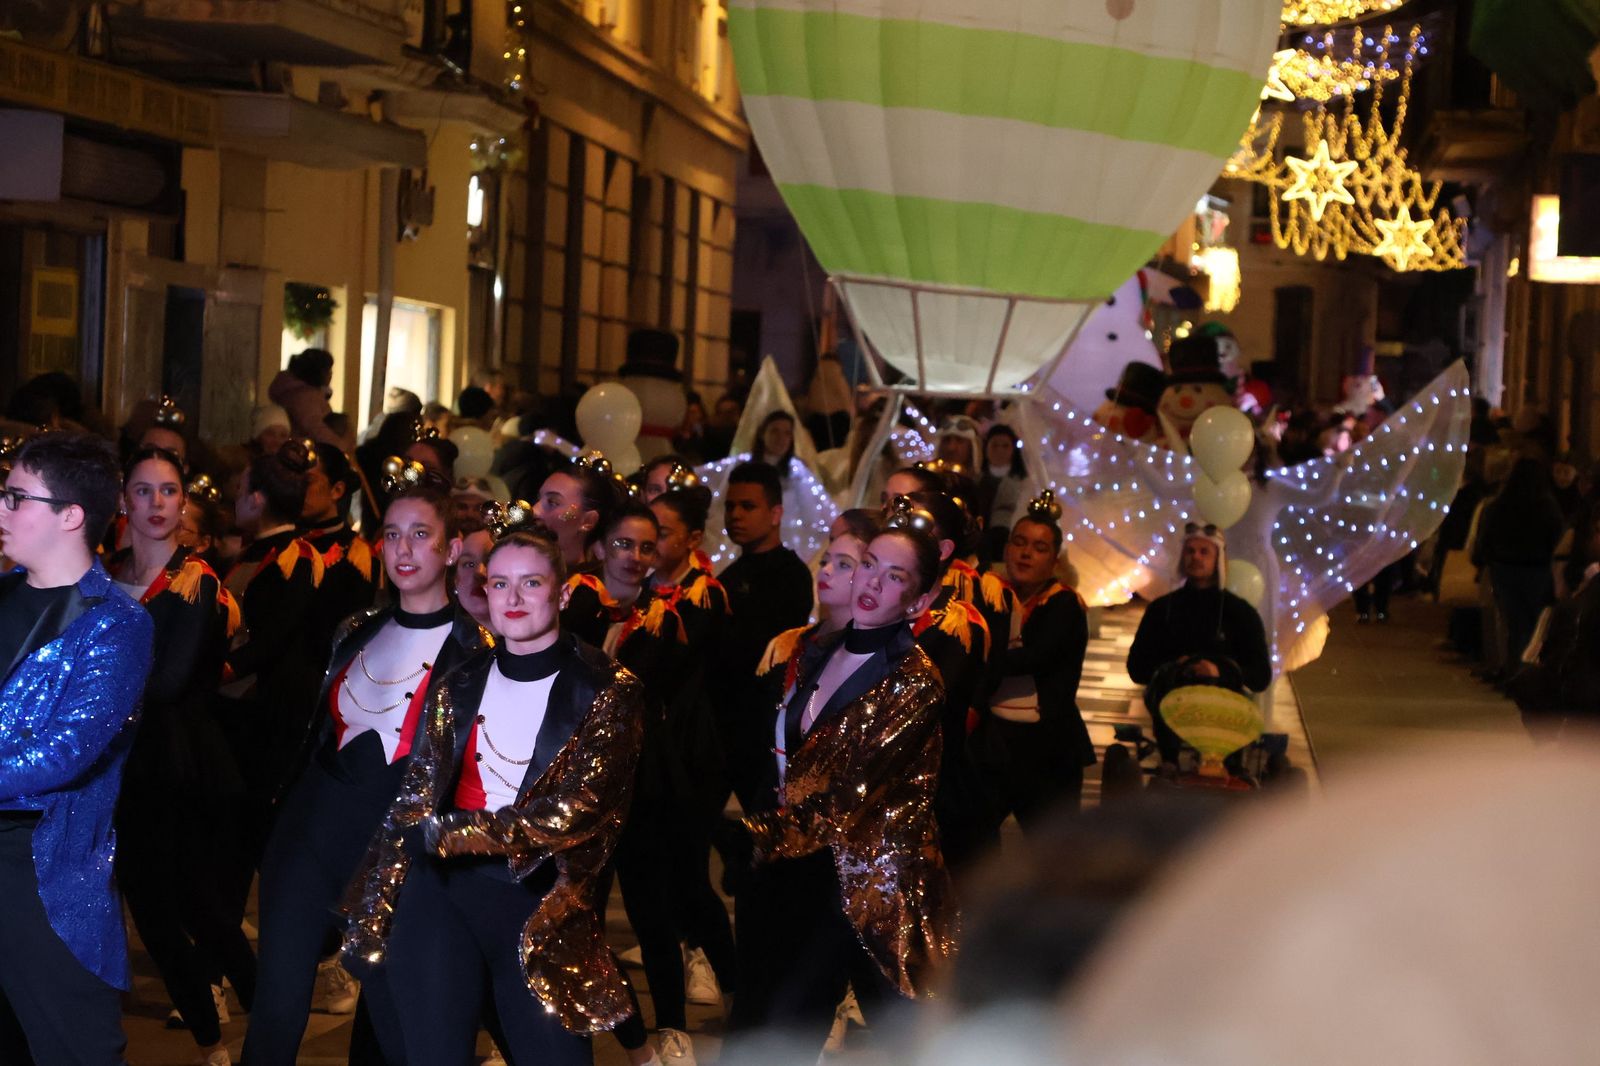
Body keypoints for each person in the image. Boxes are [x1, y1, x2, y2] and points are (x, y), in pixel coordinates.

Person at [340, 523, 645, 1066]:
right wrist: (375, 903)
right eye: (500, 584)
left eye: (531, 583)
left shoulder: (607, 688)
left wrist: (456, 833)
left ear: (563, 594)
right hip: (440, 892)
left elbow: (575, 813)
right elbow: (415, 798)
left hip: (536, 903)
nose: (513, 597)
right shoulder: (458, 682)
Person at [243, 482, 490, 1066]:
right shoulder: (355, 627)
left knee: (397, 1021)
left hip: (394, 854)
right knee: (276, 1009)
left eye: (421, 534)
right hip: (308, 831)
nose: (404, 549)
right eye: (392, 534)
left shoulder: (476, 653)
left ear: (453, 549)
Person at [722, 501, 953, 1065]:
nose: (871, 582)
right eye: (869, 564)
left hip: (874, 886)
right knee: (776, 1028)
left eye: (894, 576)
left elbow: (853, 795)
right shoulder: (818, 651)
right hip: (804, 872)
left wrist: (756, 834)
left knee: (908, 1042)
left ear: (918, 601)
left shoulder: (915, 681)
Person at [0, 433, 154, 1063]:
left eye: (17, 497)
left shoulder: (116, 624)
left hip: (39, 867)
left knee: (75, 1048)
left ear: (71, 516)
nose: (2, 509)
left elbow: (66, 751)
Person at [109, 447, 254, 1065]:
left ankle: (265, 1020)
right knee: (153, 913)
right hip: (120, 766)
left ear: (184, 502)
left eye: (168, 491)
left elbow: (168, 682)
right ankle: (212, 1045)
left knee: (200, 911)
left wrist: (91, 689)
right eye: (143, 491)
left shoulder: (196, 582)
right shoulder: (103, 574)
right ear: (124, 499)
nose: (156, 503)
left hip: (178, 764)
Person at [648, 482, 737, 1009]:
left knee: (688, 874)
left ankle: (729, 976)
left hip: (691, 753)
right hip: (650, 751)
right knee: (661, 879)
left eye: (661, 534)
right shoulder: (639, 593)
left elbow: (673, 666)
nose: (650, 546)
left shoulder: (704, 595)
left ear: (692, 539)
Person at [973, 491, 1093, 829]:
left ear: (1055, 561)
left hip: (1047, 748)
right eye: (1019, 543)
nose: (1026, 554)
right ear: (1006, 549)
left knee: (1052, 849)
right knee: (975, 838)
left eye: (1039, 548)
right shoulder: (994, 595)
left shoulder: (1064, 605)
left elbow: (1032, 658)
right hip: (996, 742)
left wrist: (974, 661)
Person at [1126, 523, 1272, 764]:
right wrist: (1175, 667)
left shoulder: (1240, 613)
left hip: (1224, 710)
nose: (1196, 557)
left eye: (1204, 552)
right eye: (1190, 551)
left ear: (1218, 559)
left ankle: (1229, 769)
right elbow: (1137, 668)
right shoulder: (1162, 609)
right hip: (1172, 702)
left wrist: (1219, 671)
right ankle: (1169, 764)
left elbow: (1260, 675)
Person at [714, 461, 814, 804]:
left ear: (775, 514)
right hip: (724, 724)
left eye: (747, 506)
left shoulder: (791, 575)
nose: (735, 515)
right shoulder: (729, 575)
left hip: (760, 726)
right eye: (730, 506)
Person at [1473, 456, 1565, 673]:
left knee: (1513, 624)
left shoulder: (1498, 506)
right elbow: (1556, 540)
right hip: (1537, 570)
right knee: (1535, 623)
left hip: (1505, 569)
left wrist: (1487, 560)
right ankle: (1528, 669)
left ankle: (1512, 667)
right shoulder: (1547, 507)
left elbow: (1485, 539)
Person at [302, 444, 380, 662]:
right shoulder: (283, 542)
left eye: (308, 481)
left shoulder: (357, 554)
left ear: (337, 490)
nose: (297, 488)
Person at [534, 453, 623, 570]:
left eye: (553, 502)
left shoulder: (585, 581)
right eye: (538, 499)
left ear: (588, 521)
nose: (534, 510)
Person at [270, 349, 348, 450]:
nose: (331, 374)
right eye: (328, 370)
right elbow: (315, 427)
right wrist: (341, 447)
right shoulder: (304, 397)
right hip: (304, 450)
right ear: (317, 372)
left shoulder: (302, 393)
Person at [978, 424, 1028, 564]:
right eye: (995, 445)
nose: (1000, 450)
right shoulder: (976, 478)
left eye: (1005, 446)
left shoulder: (1024, 483)